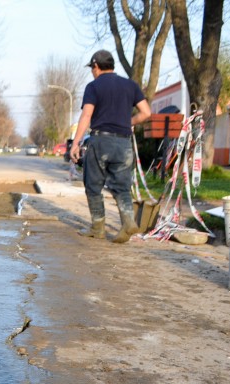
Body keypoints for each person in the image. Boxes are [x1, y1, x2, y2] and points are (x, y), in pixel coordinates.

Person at [70, 49, 151, 243]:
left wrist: (76, 142)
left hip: (100, 141)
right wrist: (128, 122)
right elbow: (146, 113)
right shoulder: (130, 85)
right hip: (124, 143)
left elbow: (87, 115)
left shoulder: (93, 86)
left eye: (92, 68)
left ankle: (98, 228)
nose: (92, 72)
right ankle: (128, 220)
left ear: (96, 66)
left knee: (93, 184)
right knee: (122, 186)